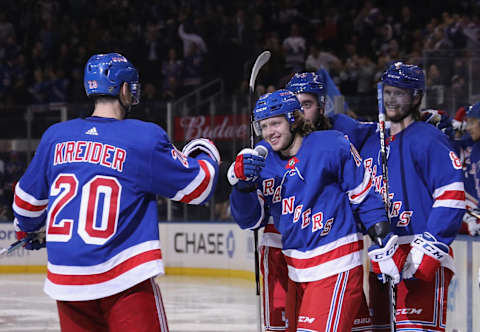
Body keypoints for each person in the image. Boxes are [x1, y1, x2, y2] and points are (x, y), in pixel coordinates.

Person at [12, 53, 220, 332]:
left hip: (67, 282)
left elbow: (26, 205)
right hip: (124, 279)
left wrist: (28, 231)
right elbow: (198, 188)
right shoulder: (143, 137)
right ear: (124, 89)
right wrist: (205, 151)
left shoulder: (55, 136)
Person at [228, 89, 402, 332]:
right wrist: (243, 186)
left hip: (336, 265)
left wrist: (382, 235)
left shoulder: (331, 144)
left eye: (276, 123)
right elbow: (250, 220)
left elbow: (363, 195)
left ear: (293, 119)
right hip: (296, 273)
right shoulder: (262, 163)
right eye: (264, 126)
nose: (270, 132)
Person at [351, 62, 465, 332]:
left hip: (420, 255)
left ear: (416, 97)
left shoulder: (429, 138)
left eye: (400, 93)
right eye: (388, 92)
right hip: (382, 256)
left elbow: (452, 195)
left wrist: (427, 249)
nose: (391, 99)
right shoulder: (371, 143)